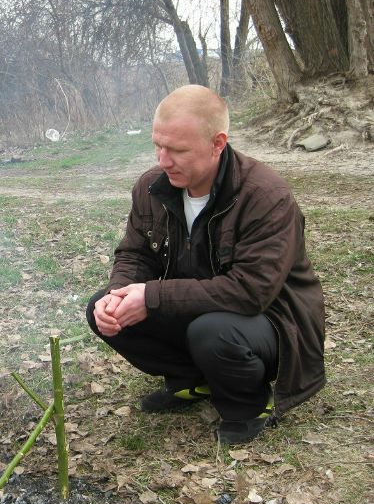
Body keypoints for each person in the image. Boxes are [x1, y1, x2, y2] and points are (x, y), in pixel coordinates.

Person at [86, 85, 325, 444]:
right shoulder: (153, 186)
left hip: (273, 324)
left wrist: (153, 296)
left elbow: (250, 292)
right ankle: (196, 380)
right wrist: (120, 293)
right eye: (158, 146)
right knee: (102, 309)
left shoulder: (265, 196)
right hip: (198, 307)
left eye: (178, 150)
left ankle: (249, 401)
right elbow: (135, 254)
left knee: (212, 332)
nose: (164, 160)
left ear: (218, 144)